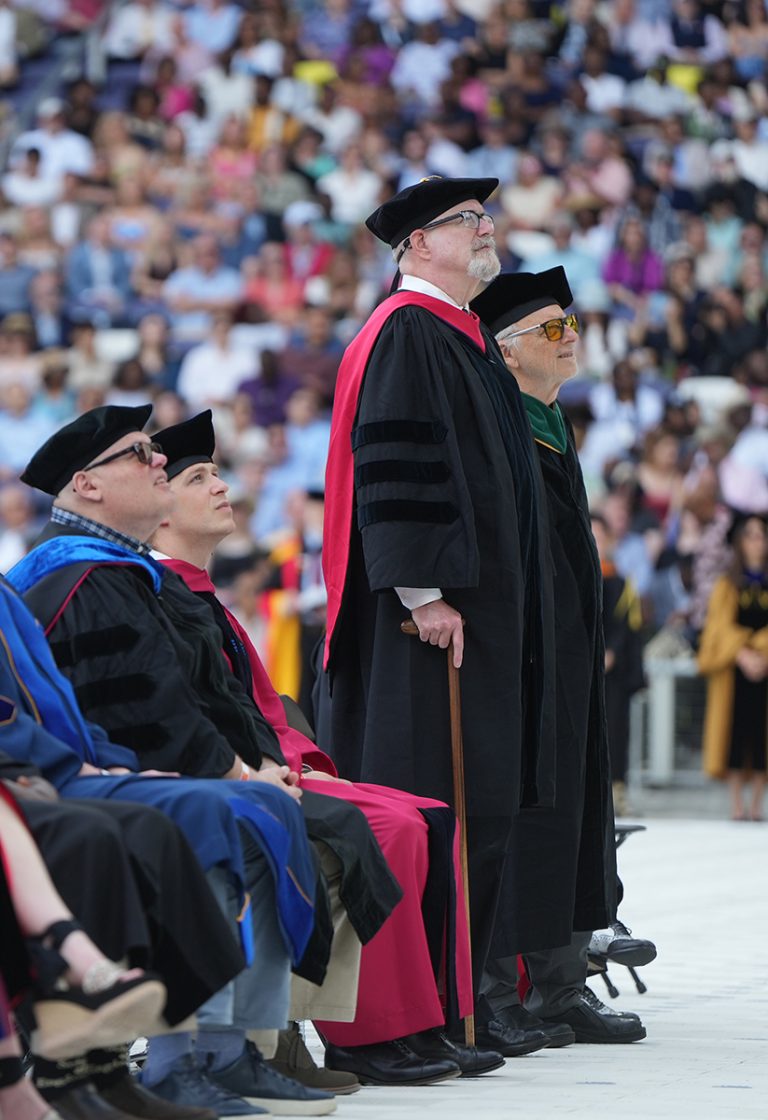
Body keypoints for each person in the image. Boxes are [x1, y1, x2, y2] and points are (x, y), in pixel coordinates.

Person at [11, 405, 413, 1102]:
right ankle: (191, 1055)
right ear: (88, 486)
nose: (157, 460)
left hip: (107, 764)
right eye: (140, 454)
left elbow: (157, 704)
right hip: (81, 775)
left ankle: (237, 1046)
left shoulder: (118, 572)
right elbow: (144, 708)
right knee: (243, 810)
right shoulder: (82, 578)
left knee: (265, 809)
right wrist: (235, 769)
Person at [151, 410, 498, 1086]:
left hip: (270, 760)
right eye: (200, 477)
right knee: (393, 825)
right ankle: (368, 1035)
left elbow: (251, 704)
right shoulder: (156, 594)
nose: (222, 487)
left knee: (430, 814)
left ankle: (429, 1023)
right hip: (227, 777)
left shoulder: (197, 594)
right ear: (160, 511)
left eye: (218, 472)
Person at [320, 176, 557, 1056]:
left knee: (485, 805)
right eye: (467, 220)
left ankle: (469, 997)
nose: (486, 226)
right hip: (429, 625)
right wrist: (423, 595)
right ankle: (414, 1014)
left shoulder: (466, 336)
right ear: (418, 244)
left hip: (482, 617)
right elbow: (397, 463)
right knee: (434, 803)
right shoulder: (408, 333)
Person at [470, 267, 645, 1044]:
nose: (569, 334)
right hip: (525, 648)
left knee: (576, 805)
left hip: (568, 645)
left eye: (570, 323)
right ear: (507, 353)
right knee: (532, 807)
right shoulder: (502, 426)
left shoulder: (549, 421)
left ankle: (563, 982)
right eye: (550, 328)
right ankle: (510, 988)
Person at [698, 511, 768, 821]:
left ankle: (757, 806)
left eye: (761, 535)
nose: (757, 542)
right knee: (736, 734)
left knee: (763, 735)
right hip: (736, 670)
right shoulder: (728, 584)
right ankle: (738, 805)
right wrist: (742, 653)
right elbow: (717, 628)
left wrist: (762, 654)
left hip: (765, 668)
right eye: (750, 535)